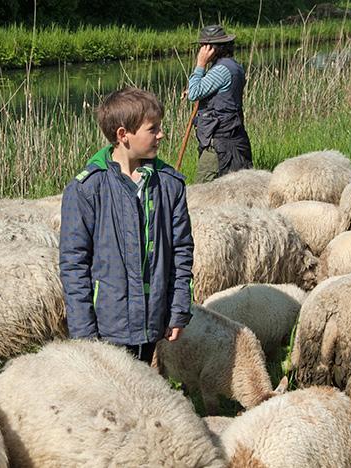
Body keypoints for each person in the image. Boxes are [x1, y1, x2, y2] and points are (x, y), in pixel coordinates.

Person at [59, 87, 194, 364]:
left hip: (151, 319)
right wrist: (84, 332)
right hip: (108, 325)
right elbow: (74, 264)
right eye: (152, 129)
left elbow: (181, 251)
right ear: (123, 135)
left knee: (139, 390)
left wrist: (178, 309)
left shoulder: (169, 185)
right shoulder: (87, 189)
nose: (161, 135)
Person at [187, 24, 253, 183]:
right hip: (232, 137)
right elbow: (220, 92)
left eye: (203, 46)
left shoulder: (220, 70)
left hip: (219, 142)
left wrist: (200, 64)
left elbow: (195, 93)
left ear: (211, 48)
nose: (201, 50)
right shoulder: (233, 66)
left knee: (202, 189)